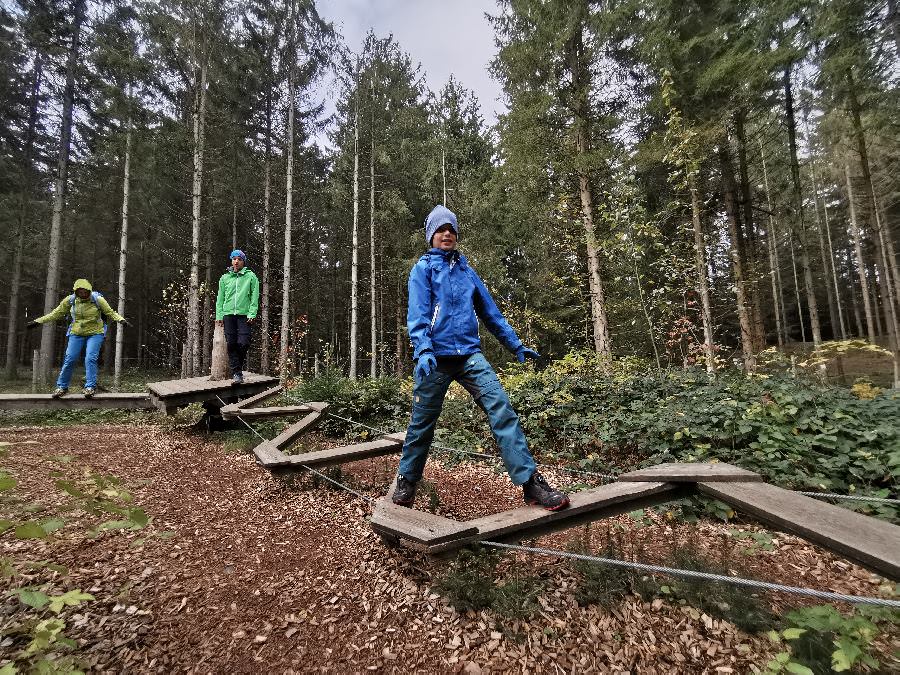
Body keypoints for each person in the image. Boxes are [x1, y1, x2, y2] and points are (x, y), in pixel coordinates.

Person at [392, 205, 570, 511]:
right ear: (430, 235)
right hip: (434, 357)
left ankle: (530, 484)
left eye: (451, 229)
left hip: (469, 356)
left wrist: (515, 345)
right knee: (422, 422)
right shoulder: (422, 270)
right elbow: (418, 315)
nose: (446, 233)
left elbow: (491, 314)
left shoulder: (467, 272)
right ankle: (407, 479)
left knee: (502, 409)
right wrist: (422, 350)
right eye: (440, 229)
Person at [27, 279, 127, 398]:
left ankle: (90, 387)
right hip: (76, 333)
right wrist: (38, 321)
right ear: (76, 292)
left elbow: (110, 312)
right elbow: (56, 313)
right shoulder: (71, 300)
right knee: (70, 359)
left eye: (85, 292)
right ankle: (62, 387)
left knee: (90, 358)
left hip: (95, 333)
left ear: (89, 291)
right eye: (80, 292)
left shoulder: (98, 300)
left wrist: (121, 320)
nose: (83, 294)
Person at [215, 249, 260, 384]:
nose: (236, 261)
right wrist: (219, 315)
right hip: (228, 314)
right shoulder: (225, 278)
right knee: (231, 344)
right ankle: (237, 373)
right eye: (234, 259)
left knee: (243, 342)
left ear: (243, 261)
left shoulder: (251, 276)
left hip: (244, 315)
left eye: (239, 259)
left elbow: (254, 296)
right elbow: (220, 298)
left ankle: (237, 368)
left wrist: (252, 313)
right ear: (231, 260)